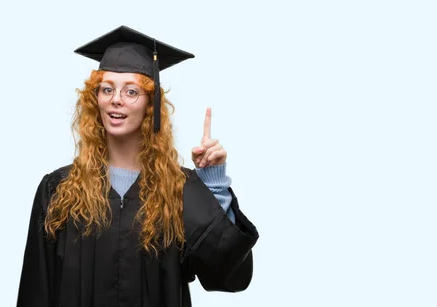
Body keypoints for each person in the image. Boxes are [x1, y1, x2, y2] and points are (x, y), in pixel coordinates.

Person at [16, 25, 259, 307]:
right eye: (107, 89)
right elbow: (36, 291)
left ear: (150, 105)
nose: (116, 99)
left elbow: (228, 275)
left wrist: (213, 185)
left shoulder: (179, 190)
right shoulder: (58, 190)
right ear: (96, 100)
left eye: (131, 91)